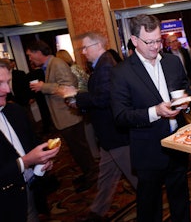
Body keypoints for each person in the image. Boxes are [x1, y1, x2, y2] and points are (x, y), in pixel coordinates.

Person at [110, 14, 191, 222]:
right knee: (149, 206)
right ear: (135, 41)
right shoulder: (122, 72)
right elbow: (120, 115)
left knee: (181, 200)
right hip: (148, 150)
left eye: (158, 40)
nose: (156, 46)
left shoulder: (172, 61)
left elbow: (185, 87)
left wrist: (186, 104)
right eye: (150, 42)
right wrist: (155, 111)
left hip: (178, 143)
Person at [58, 32, 138, 221]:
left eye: (86, 47)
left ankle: (153, 208)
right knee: (106, 177)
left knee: (137, 179)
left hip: (115, 135)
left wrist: (76, 95)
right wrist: (78, 99)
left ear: (97, 46)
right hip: (109, 135)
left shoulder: (105, 67)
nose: (83, 52)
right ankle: (97, 213)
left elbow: (102, 99)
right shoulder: (102, 64)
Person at [26, 40, 98, 193]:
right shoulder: (49, 66)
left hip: (69, 117)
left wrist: (43, 87)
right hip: (64, 118)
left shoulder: (57, 63)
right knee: (76, 150)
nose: (30, 59)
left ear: (38, 52)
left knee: (80, 149)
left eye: (30, 55)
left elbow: (69, 88)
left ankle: (92, 175)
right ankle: (88, 173)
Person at [0, 59, 60, 222]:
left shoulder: (16, 110)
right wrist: (25, 162)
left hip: (31, 190)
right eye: (0, 83)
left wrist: (43, 159)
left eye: (7, 82)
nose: (7, 89)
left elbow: (31, 143)